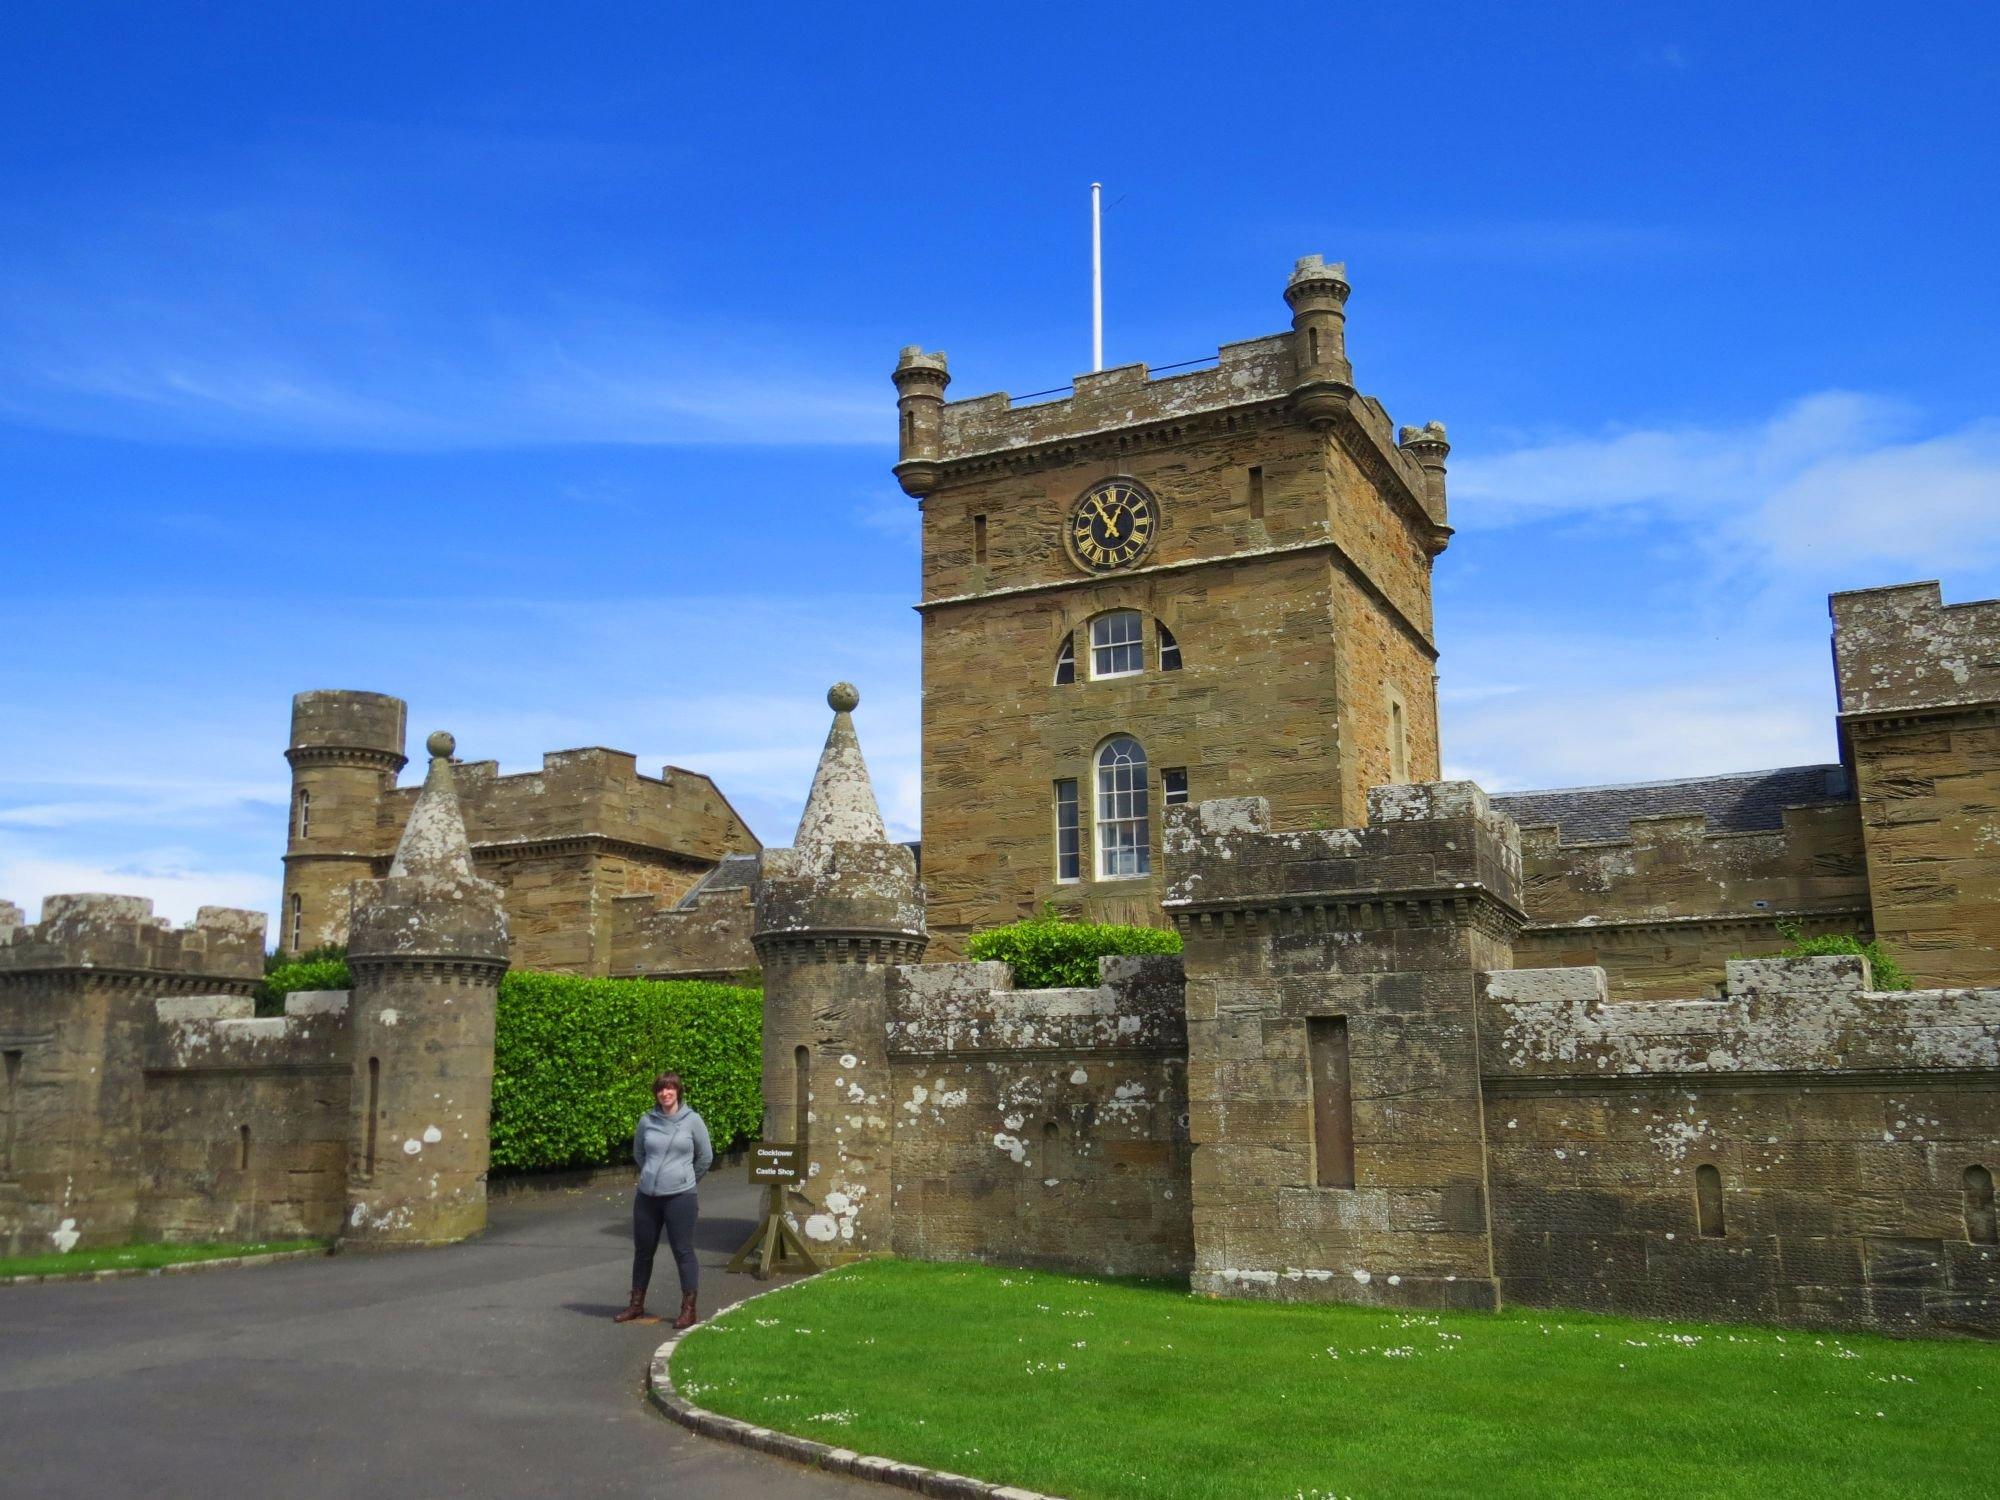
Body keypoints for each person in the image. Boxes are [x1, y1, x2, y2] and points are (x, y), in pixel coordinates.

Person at [616, 1071, 713, 1328]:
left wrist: (685, 1179)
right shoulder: (646, 1121)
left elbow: (705, 1157)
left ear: (678, 1091)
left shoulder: (692, 1121)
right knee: (643, 1251)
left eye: (670, 1089)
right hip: (647, 1197)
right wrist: (650, 1176)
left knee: (683, 1251)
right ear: (656, 1094)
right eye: (660, 1090)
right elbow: (639, 1153)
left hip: (681, 1197)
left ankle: (688, 1309)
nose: (665, 1094)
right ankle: (636, 1305)